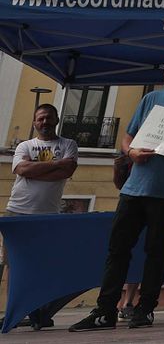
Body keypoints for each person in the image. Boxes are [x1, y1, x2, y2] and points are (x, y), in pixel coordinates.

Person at [70, 59, 164, 332]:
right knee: (117, 250)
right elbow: (128, 135)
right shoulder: (151, 99)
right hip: (134, 188)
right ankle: (105, 310)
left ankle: (145, 309)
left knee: (156, 251)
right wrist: (131, 152)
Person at [7, 104, 80, 330]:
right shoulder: (24, 145)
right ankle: (15, 311)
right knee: (14, 264)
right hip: (18, 210)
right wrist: (55, 164)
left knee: (45, 263)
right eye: (40, 119)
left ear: (57, 120)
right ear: (34, 122)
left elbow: (67, 172)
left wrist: (36, 168)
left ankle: (39, 311)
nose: (45, 122)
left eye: (49, 118)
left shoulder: (69, 144)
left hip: (49, 214)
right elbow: (22, 170)